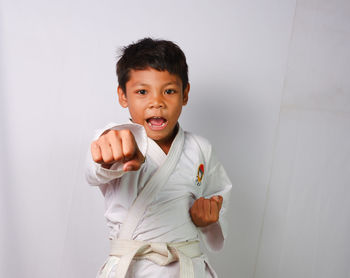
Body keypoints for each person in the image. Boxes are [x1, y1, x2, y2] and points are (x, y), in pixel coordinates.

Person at [86, 38, 232, 278]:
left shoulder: (200, 148)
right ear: (123, 95)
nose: (157, 102)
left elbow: (218, 199)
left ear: (185, 94)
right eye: (142, 92)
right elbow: (93, 169)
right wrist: (105, 155)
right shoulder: (116, 138)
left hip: (187, 268)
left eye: (169, 91)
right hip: (132, 269)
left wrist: (208, 219)